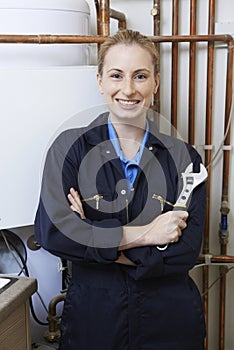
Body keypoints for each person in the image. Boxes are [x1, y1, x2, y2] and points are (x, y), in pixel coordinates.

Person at [35, 29, 206, 350]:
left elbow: (184, 253)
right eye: (116, 75)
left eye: (140, 76)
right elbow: (53, 234)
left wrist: (93, 233)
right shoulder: (69, 148)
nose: (128, 89)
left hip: (169, 319)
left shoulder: (185, 158)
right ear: (100, 81)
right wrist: (148, 235)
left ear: (155, 82)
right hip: (94, 318)